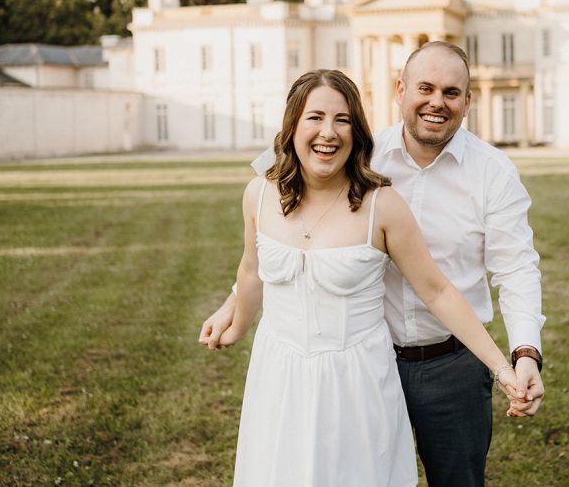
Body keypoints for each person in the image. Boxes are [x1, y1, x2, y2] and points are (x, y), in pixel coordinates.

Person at [203, 43, 545, 486]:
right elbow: (282, 219)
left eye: (450, 92)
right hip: (367, 361)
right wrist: (234, 303)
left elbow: (513, 268)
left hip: (451, 364)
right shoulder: (358, 151)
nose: (436, 102)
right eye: (424, 88)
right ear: (400, 90)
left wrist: (521, 355)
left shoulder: (493, 172)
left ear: (467, 101)